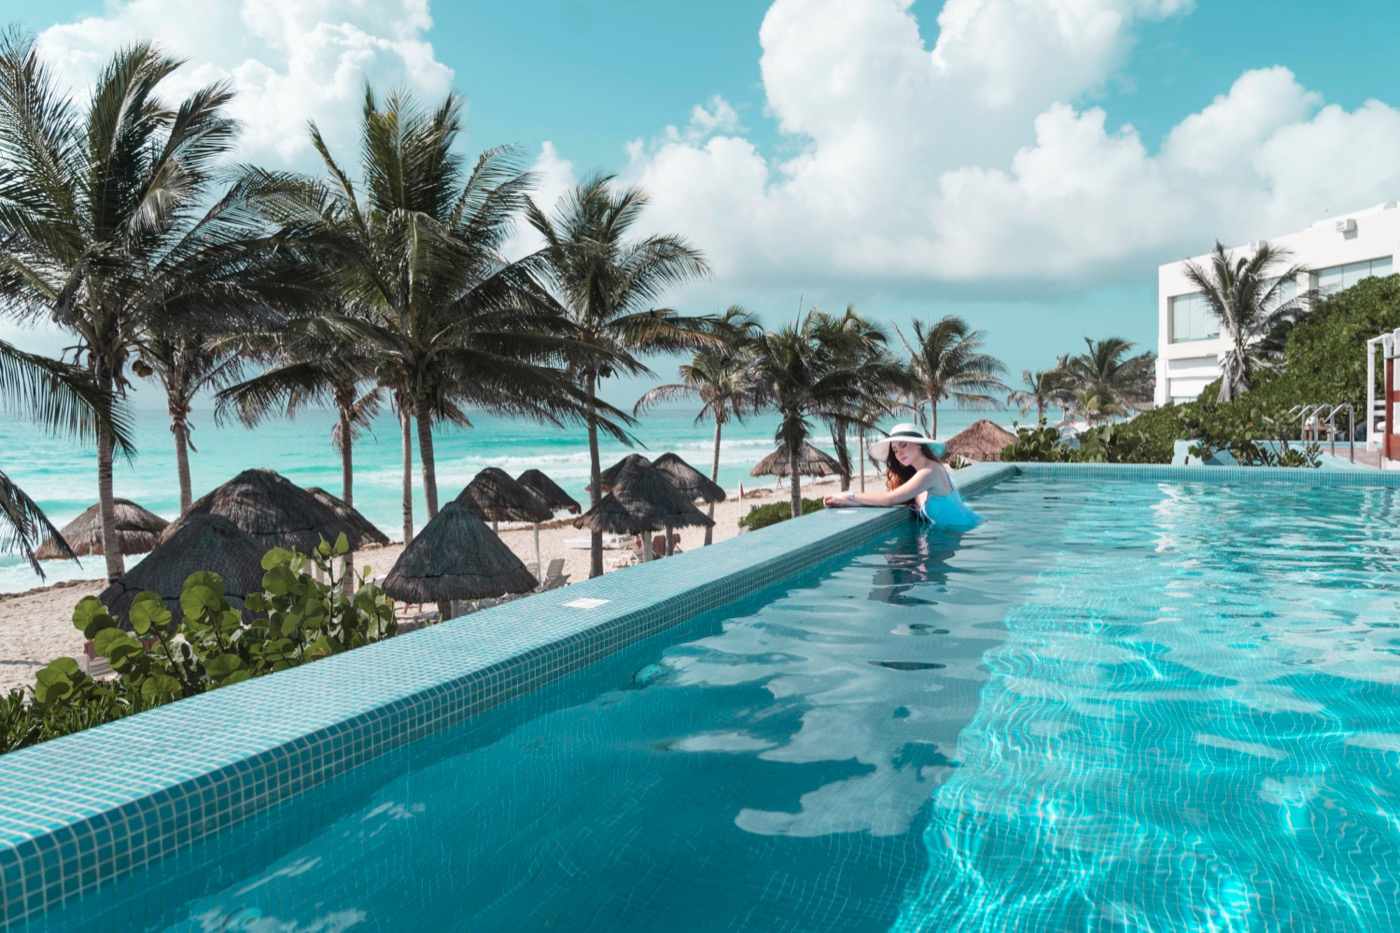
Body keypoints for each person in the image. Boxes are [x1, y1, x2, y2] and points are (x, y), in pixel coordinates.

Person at [823, 423, 982, 530]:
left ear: (919, 444)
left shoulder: (929, 472)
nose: (899, 453)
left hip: (968, 530)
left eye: (904, 445)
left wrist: (850, 497)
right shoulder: (926, 470)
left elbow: (890, 499)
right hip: (963, 529)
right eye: (895, 449)